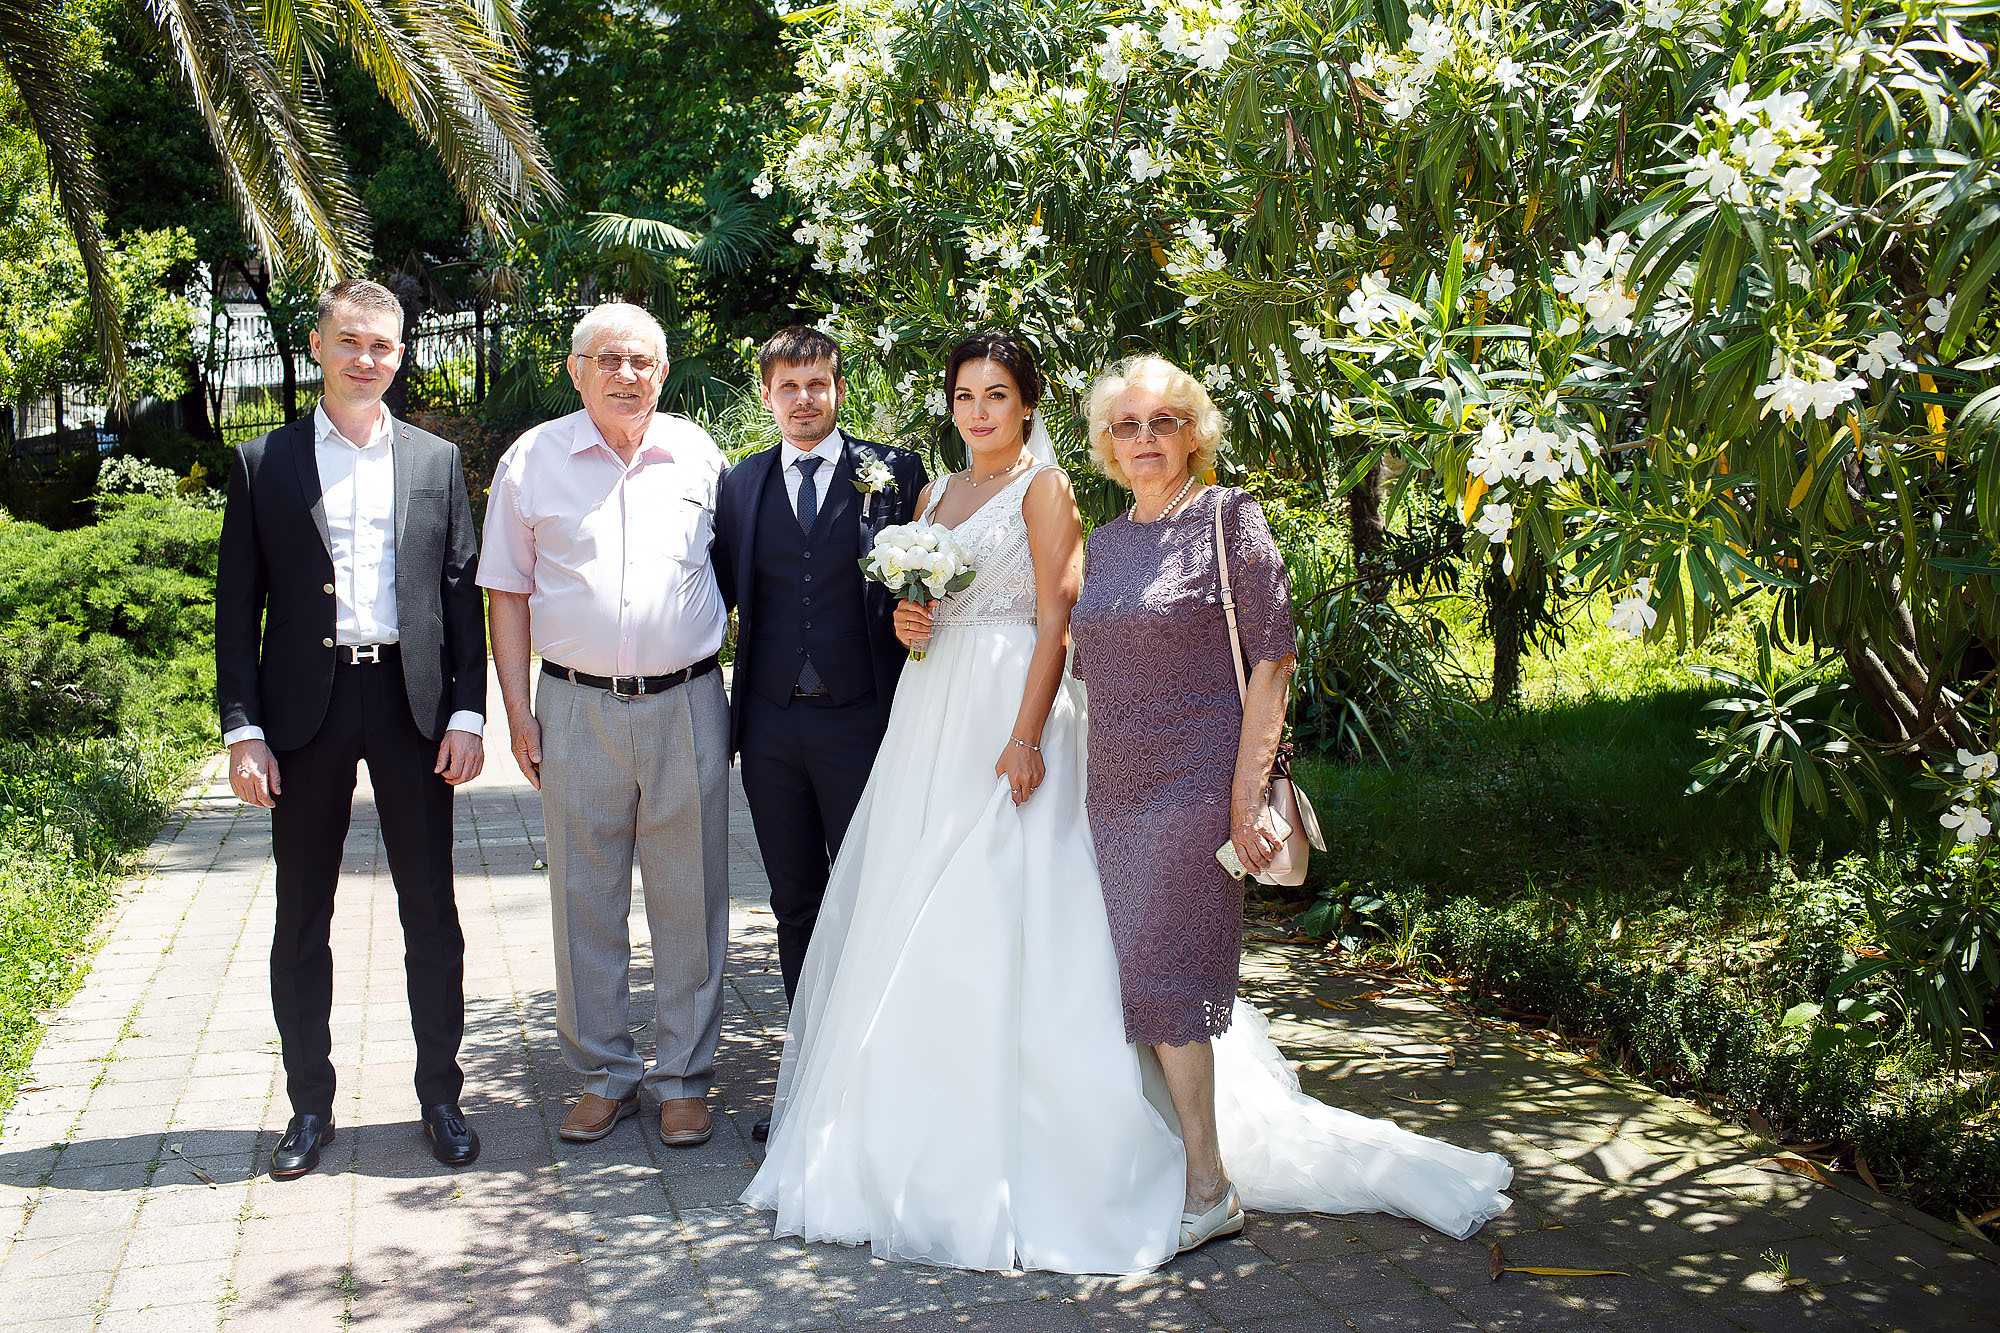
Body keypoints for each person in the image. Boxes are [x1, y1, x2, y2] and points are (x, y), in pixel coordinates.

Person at [742, 331, 1188, 1271]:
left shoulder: (1044, 488)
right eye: (964, 397)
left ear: (1026, 405)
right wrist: (913, 621)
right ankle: (908, 1105)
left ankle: (1033, 1126)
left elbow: (1058, 617)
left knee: (1005, 898)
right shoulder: (934, 494)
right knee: (914, 900)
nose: (979, 413)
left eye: (997, 396)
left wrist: (1025, 736)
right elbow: (923, 619)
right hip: (933, 707)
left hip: (1010, 707)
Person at [1069, 353, 1514, 1250]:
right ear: (1108, 444)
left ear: (1194, 433)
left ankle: (1208, 1185)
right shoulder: (1108, 543)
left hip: (1197, 783)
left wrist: (1246, 795)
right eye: (1128, 425)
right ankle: (1161, 1154)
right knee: (1125, 975)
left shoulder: (1229, 519)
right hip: (1108, 789)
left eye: (1163, 422)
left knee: (1163, 971)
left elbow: (1273, 661)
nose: (1145, 439)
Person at [216, 277, 486, 1179]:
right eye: (350, 342)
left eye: (382, 345)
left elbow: (461, 594)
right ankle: (309, 1105)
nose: (366, 359)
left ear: (400, 355)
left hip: (410, 706)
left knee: (431, 909)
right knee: (302, 913)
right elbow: (236, 607)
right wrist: (243, 729)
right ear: (318, 345)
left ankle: (440, 1095)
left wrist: (466, 711)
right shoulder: (264, 461)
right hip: (307, 711)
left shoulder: (435, 461)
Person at [478, 303, 731, 1150]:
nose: (627, 374)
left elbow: (739, 571)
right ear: (576, 370)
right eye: (609, 359)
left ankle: (684, 1079)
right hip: (574, 704)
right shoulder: (531, 461)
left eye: (642, 361)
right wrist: (519, 711)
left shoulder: (698, 454)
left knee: (692, 894)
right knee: (583, 896)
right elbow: (506, 592)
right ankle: (603, 1074)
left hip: (688, 701)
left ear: (663, 372)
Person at [712, 328, 927, 1142]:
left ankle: (877, 1080)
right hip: (770, 727)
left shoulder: (894, 473)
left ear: (839, 387)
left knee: (871, 896)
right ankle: (806, 1082)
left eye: (817, 383)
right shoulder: (742, 484)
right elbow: (718, 590)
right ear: (768, 394)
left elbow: (929, 578)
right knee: (795, 901)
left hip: (863, 721)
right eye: (788, 386)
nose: (804, 398)